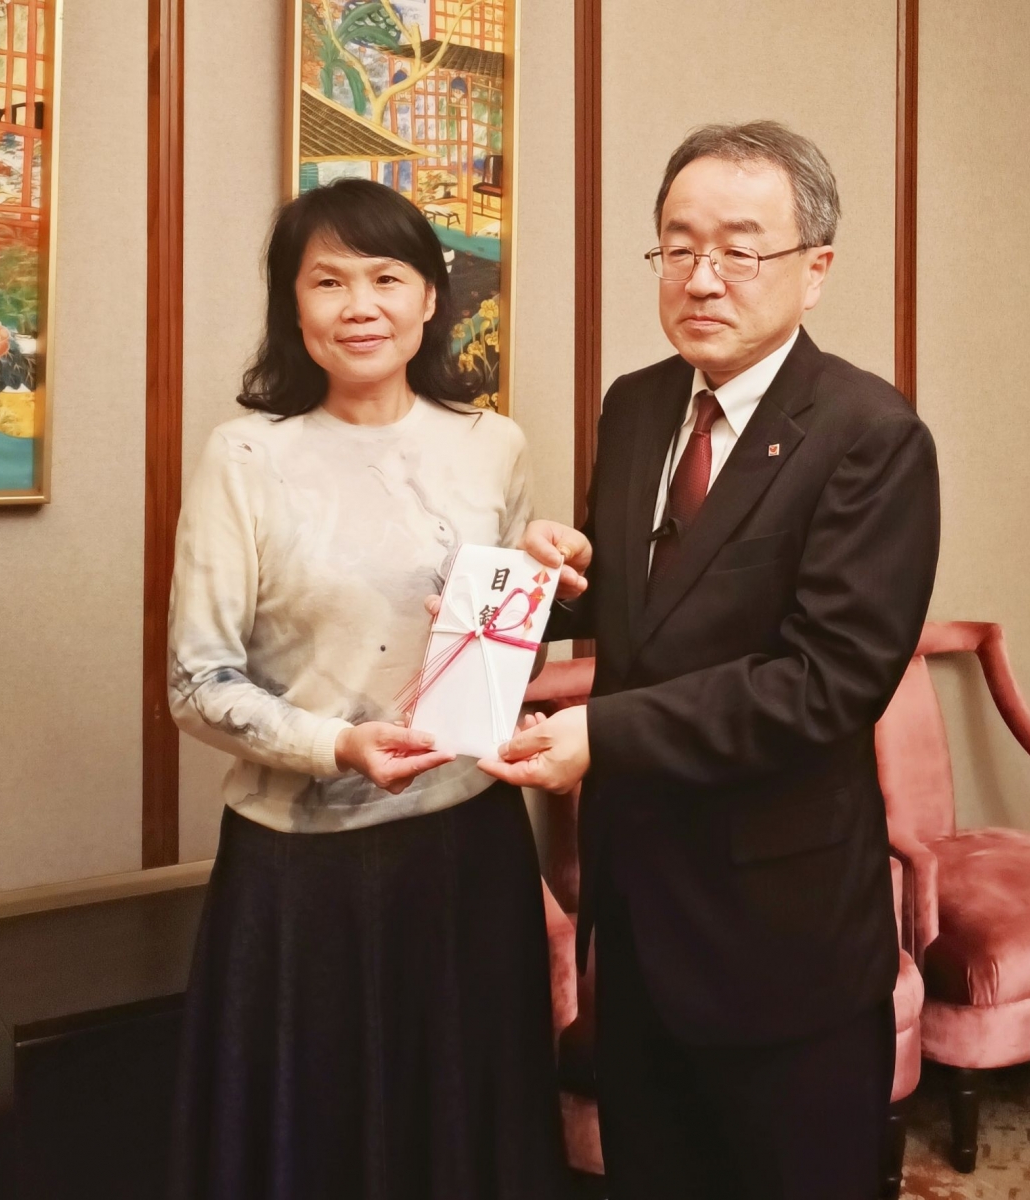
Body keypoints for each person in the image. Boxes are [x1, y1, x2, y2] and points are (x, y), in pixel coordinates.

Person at [483, 122, 941, 1200]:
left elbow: (826, 683)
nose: (701, 278)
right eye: (678, 247)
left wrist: (601, 735)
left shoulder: (870, 435)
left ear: (814, 269)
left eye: (739, 250)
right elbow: (641, 604)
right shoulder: (638, 405)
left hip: (778, 935)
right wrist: (535, 583)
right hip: (638, 915)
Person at [166, 178, 566, 1200]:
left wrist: (541, 589)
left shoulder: (493, 444)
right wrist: (335, 746)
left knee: (466, 1134)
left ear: (431, 297)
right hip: (302, 871)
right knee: (316, 1144)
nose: (360, 306)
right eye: (329, 281)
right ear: (292, 303)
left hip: (469, 849)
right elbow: (196, 682)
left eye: (387, 278)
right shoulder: (245, 456)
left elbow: (499, 650)